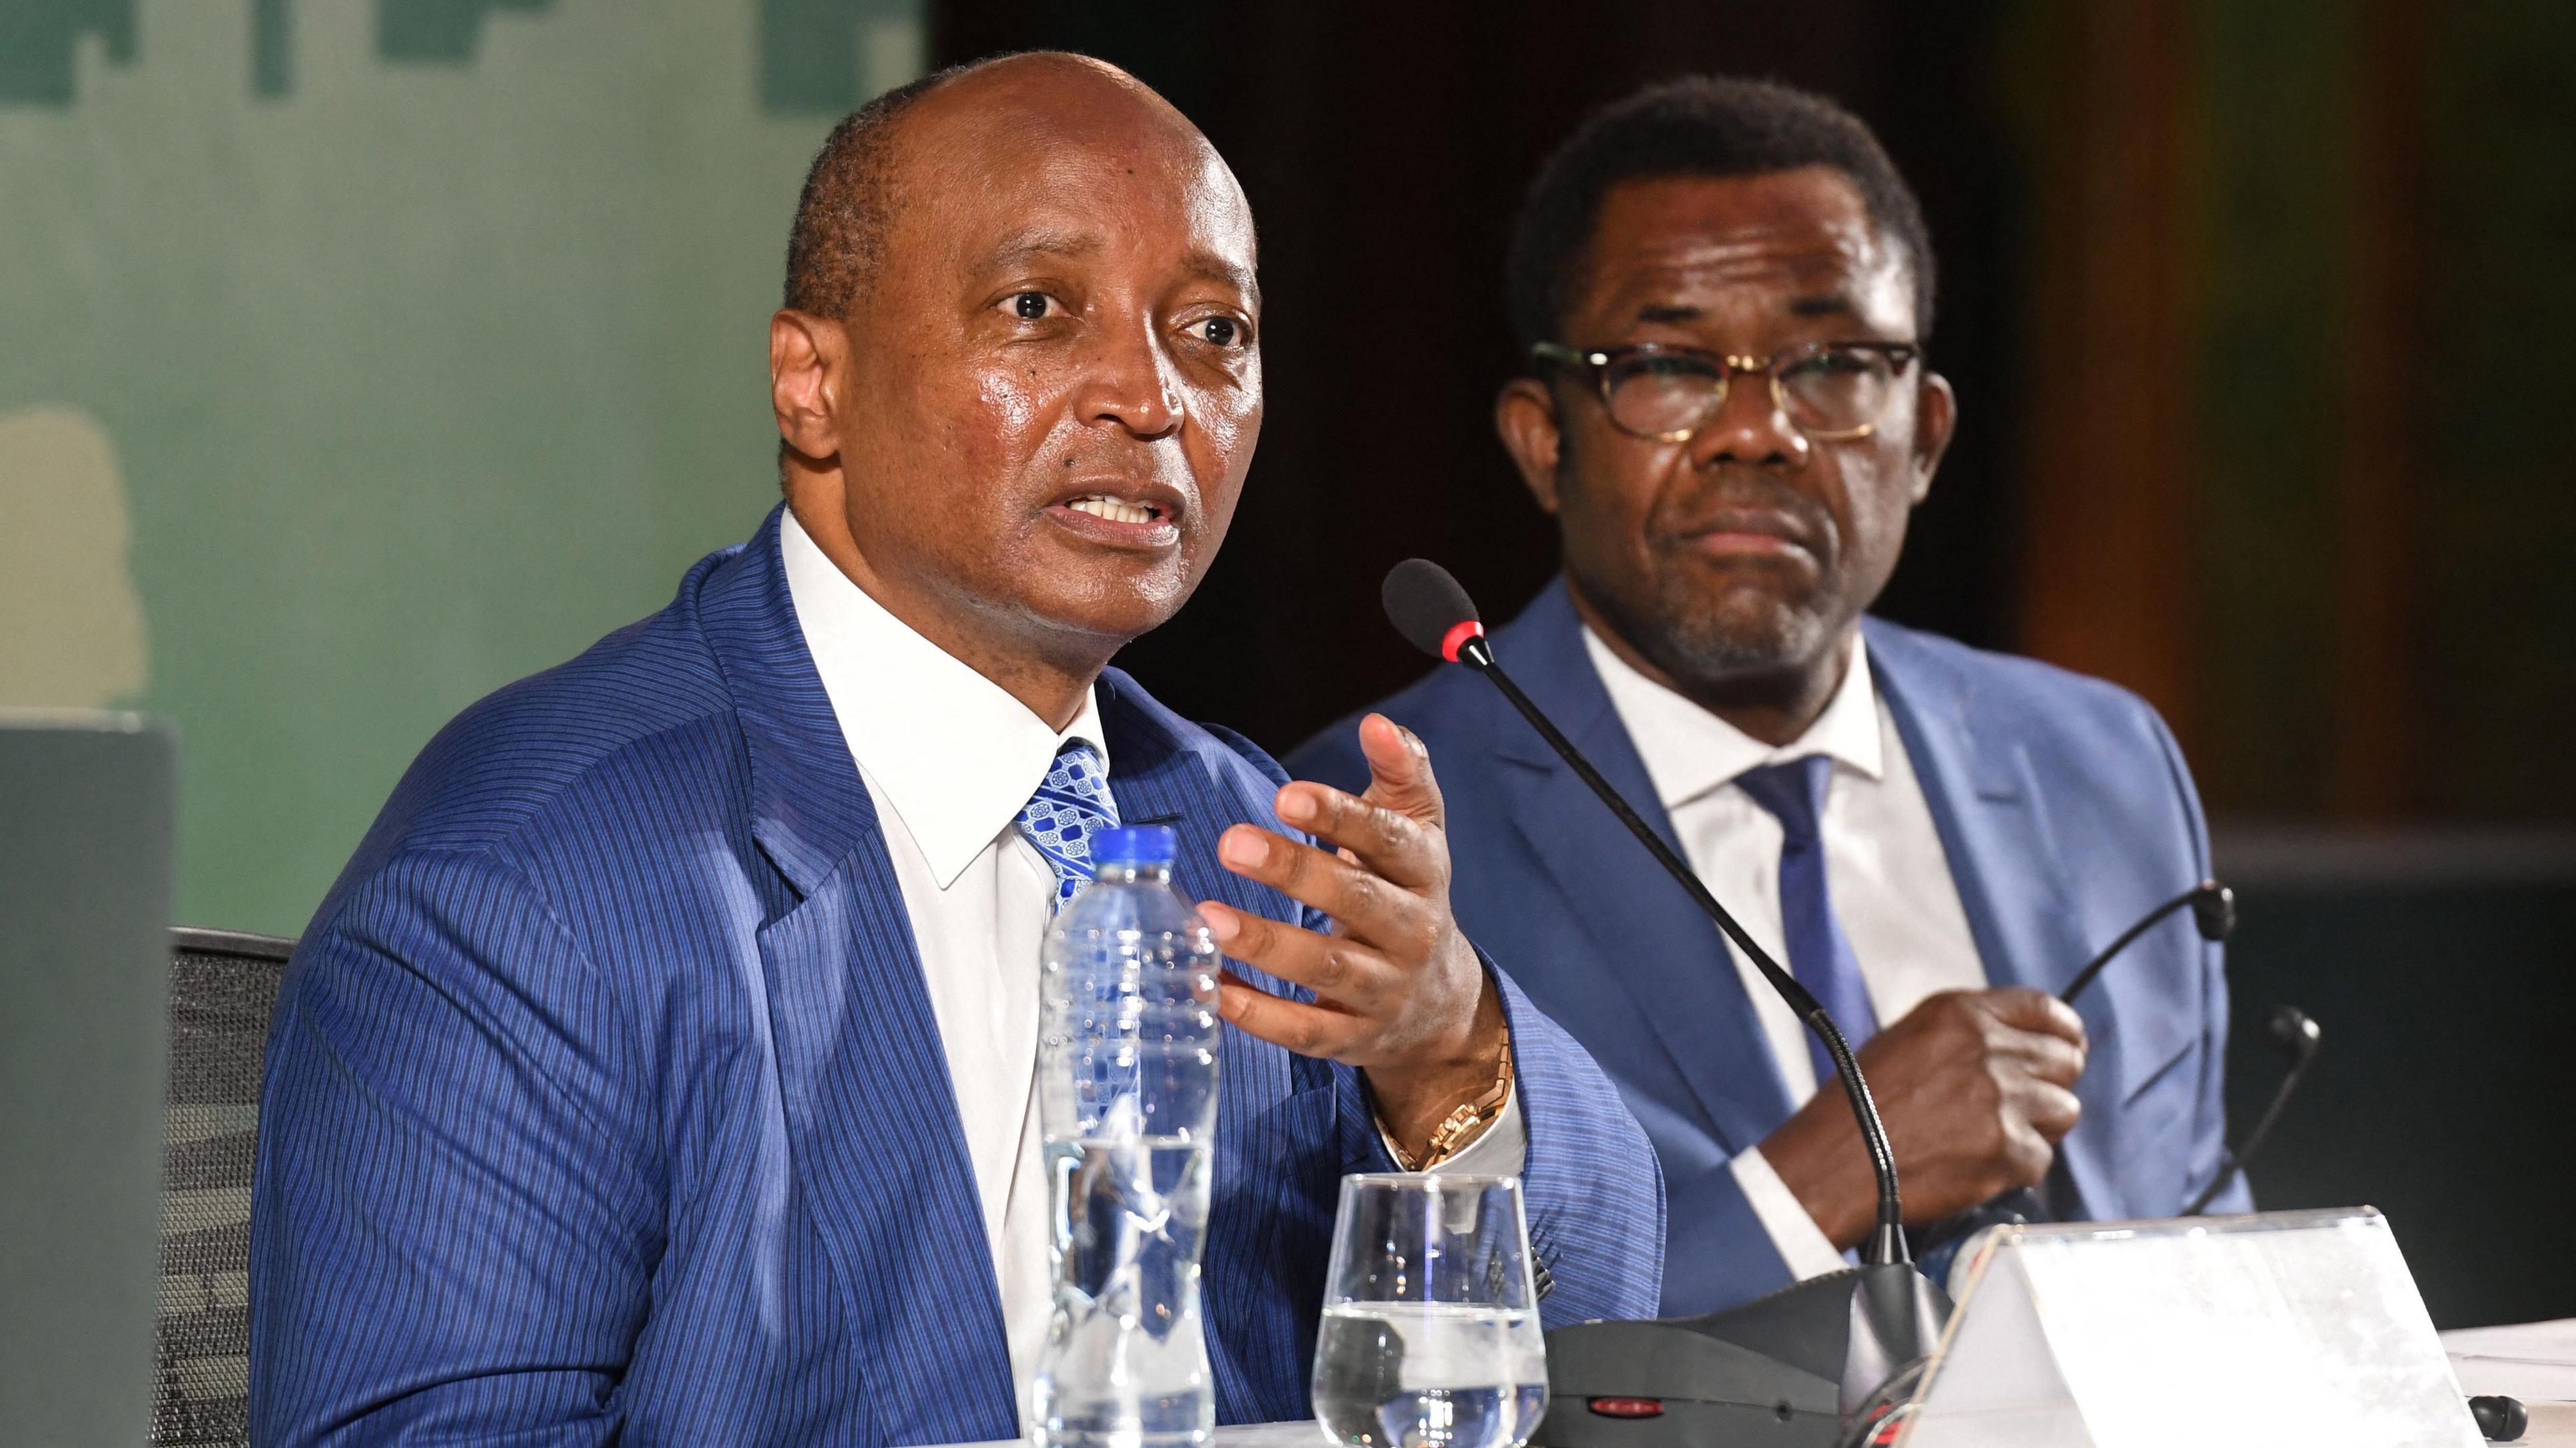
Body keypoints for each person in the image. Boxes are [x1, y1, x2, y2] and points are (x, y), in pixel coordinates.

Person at [248, 54, 1661, 1446]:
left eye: (1214, 332)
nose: (1152, 396)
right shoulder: (539, 868)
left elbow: (1597, 1351)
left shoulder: (1251, 835)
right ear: (812, 384)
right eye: (1039, 309)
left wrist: (1447, 1046)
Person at [1290, 76, 2246, 1319]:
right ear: (1545, 440)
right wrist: (1826, 1178)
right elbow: (1414, 1336)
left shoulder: (2102, 763)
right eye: (1672, 365)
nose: (1758, 432)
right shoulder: (1380, 828)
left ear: (1927, 436)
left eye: (1834, 364)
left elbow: (2216, 1247)